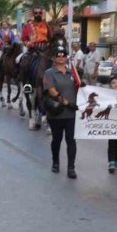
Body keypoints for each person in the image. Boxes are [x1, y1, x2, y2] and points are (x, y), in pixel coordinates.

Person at [43, 45, 80, 179]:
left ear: (66, 58)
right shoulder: (49, 73)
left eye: (63, 55)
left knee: (71, 141)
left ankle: (71, 168)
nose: (60, 58)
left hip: (71, 114)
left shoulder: (72, 73)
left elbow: (79, 87)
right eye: (58, 56)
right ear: (53, 58)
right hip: (56, 112)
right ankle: (55, 162)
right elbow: (51, 90)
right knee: (56, 140)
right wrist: (67, 103)